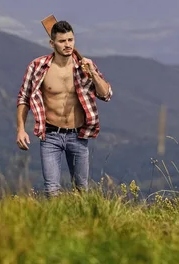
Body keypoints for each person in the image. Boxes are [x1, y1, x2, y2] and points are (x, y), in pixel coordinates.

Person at [15, 20, 112, 196]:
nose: (67, 45)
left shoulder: (84, 66)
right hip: (51, 135)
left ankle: (81, 223)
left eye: (70, 40)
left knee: (81, 190)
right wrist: (21, 129)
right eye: (62, 41)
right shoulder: (38, 67)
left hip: (78, 135)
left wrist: (93, 73)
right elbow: (24, 97)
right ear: (52, 43)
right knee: (52, 191)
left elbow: (106, 94)